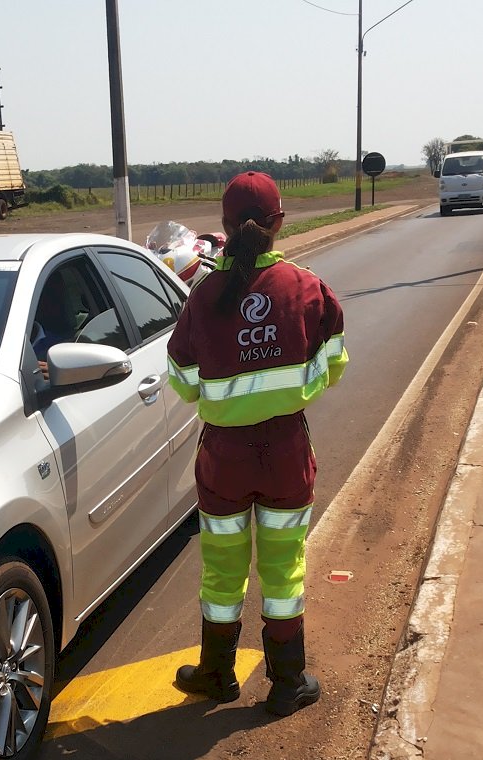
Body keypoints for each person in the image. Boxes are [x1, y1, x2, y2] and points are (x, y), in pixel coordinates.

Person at [166, 171, 348, 716]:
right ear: (278, 224)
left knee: (222, 569)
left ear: (222, 228)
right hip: (287, 450)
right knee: (283, 567)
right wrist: (293, 390)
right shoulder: (306, 285)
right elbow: (333, 360)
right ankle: (287, 682)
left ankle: (217, 674)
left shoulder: (202, 295)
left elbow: (182, 381)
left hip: (223, 455)